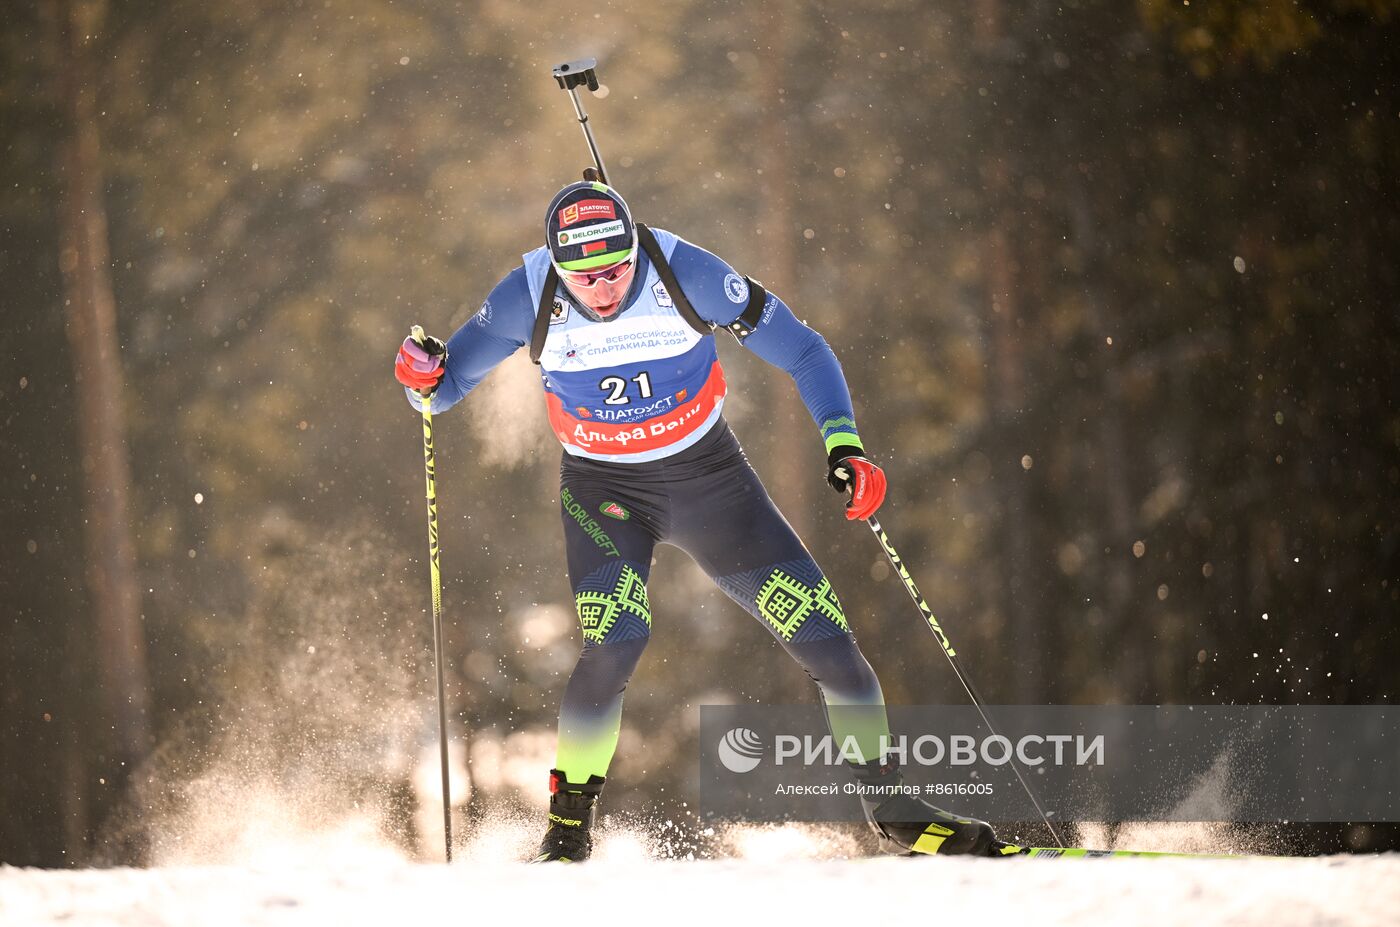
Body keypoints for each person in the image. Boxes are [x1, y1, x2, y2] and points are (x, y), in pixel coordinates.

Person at [394, 180, 1000, 861]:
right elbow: (440, 391)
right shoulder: (525, 294)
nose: (602, 288)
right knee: (617, 638)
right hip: (605, 492)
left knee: (831, 645)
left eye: (617, 268)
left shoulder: (686, 273)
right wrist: (420, 371)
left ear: (635, 248)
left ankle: (895, 811)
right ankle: (566, 833)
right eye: (584, 276)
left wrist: (844, 445)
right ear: (556, 264)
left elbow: (803, 349)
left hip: (711, 482)